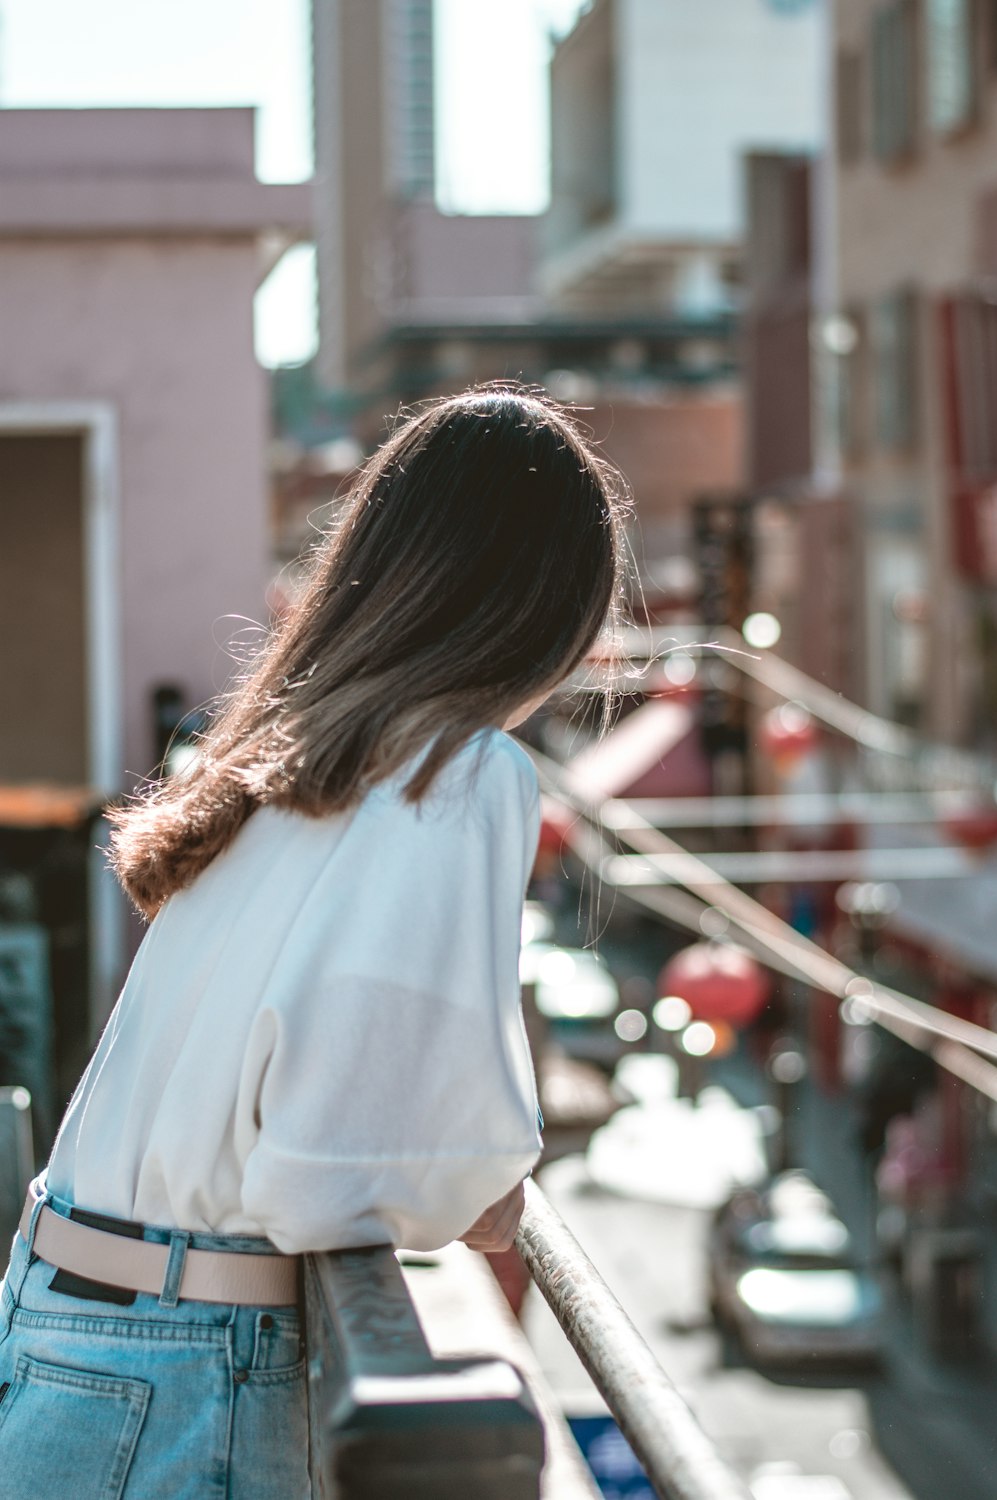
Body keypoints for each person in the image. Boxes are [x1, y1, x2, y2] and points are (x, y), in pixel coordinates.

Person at [0, 386, 629, 1498]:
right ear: (542, 610)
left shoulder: (286, 761)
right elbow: (353, 1167)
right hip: (190, 1369)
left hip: (65, 1323)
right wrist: (486, 1187)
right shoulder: (457, 769)